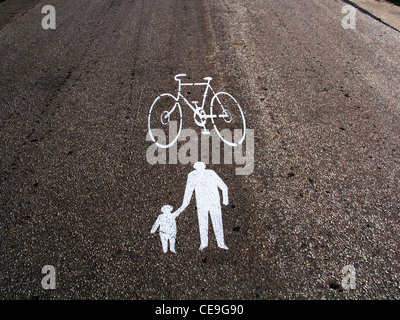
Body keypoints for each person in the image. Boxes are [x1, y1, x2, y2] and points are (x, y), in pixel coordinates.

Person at [174, 162, 229, 251]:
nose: (199, 169)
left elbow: (223, 186)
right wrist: (184, 204)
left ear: (204, 167)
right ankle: (204, 243)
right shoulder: (192, 175)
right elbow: (188, 190)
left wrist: (225, 200)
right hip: (201, 203)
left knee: (217, 222)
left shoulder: (210, 173)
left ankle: (221, 243)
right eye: (197, 167)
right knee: (203, 223)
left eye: (201, 167)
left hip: (214, 201)